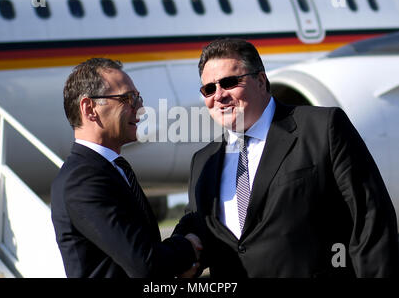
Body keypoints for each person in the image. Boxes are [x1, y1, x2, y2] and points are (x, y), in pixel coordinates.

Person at [173, 38, 399, 277]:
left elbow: (370, 220)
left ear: (261, 81)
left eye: (229, 83)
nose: (218, 95)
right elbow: (198, 228)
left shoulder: (322, 128)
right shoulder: (203, 162)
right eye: (209, 89)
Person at [51, 58, 201, 278]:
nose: (140, 108)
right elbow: (144, 263)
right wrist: (187, 248)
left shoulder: (109, 169)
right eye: (127, 99)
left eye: (138, 98)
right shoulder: (83, 179)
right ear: (89, 108)